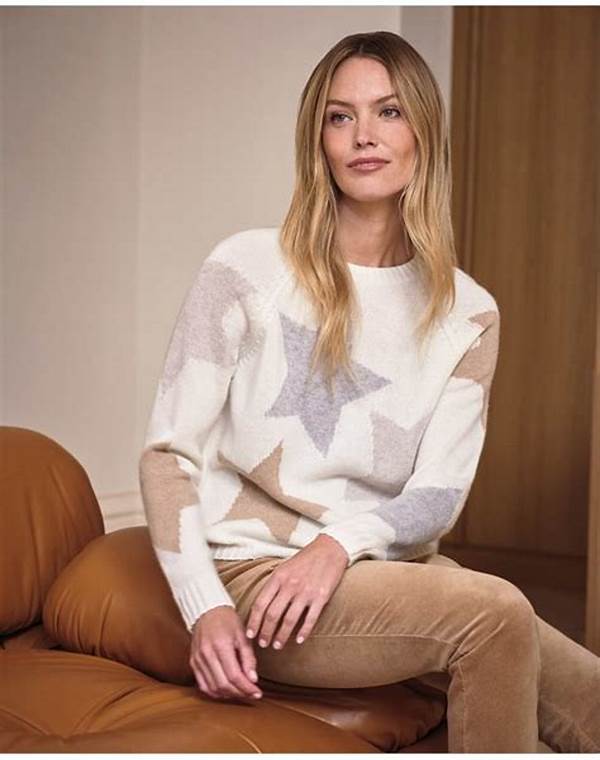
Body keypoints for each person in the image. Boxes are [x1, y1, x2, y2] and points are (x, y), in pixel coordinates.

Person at [139, 30, 600, 753]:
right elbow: (168, 455)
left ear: (423, 133)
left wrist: (338, 545)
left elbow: (438, 494)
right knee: (495, 613)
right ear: (317, 140)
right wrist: (205, 607)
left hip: (378, 567)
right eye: (339, 116)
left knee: (589, 693)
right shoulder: (243, 268)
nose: (363, 135)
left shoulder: (469, 312)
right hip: (260, 579)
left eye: (389, 112)